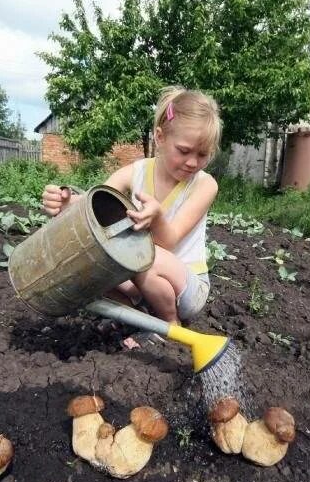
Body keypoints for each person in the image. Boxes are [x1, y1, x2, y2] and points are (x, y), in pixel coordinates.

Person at [42, 86, 221, 345]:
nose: (193, 162)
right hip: (144, 280)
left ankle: (170, 326)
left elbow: (169, 241)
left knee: (144, 255)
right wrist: (65, 201)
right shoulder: (135, 172)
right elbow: (94, 203)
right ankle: (138, 320)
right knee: (97, 266)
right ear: (160, 137)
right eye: (184, 151)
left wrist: (157, 217)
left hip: (188, 289)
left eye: (202, 155)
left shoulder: (204, 185)